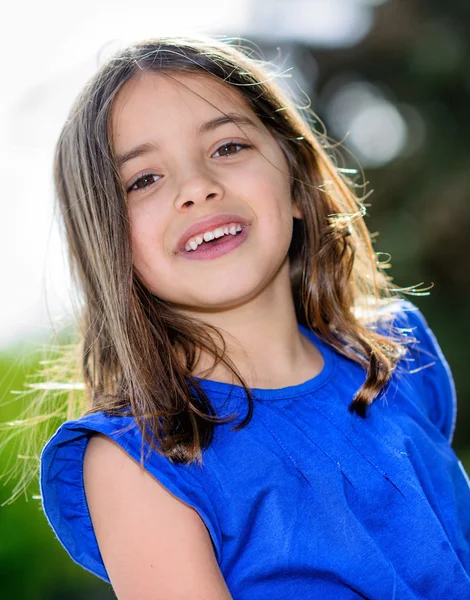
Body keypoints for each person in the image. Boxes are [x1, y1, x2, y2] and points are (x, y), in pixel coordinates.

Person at [37, 35, 470, 599]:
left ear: (295, 178)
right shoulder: (139, 462)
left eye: (227, 148)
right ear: (108, 245)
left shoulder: (395, 351)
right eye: (143, 179)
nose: (197, 188)